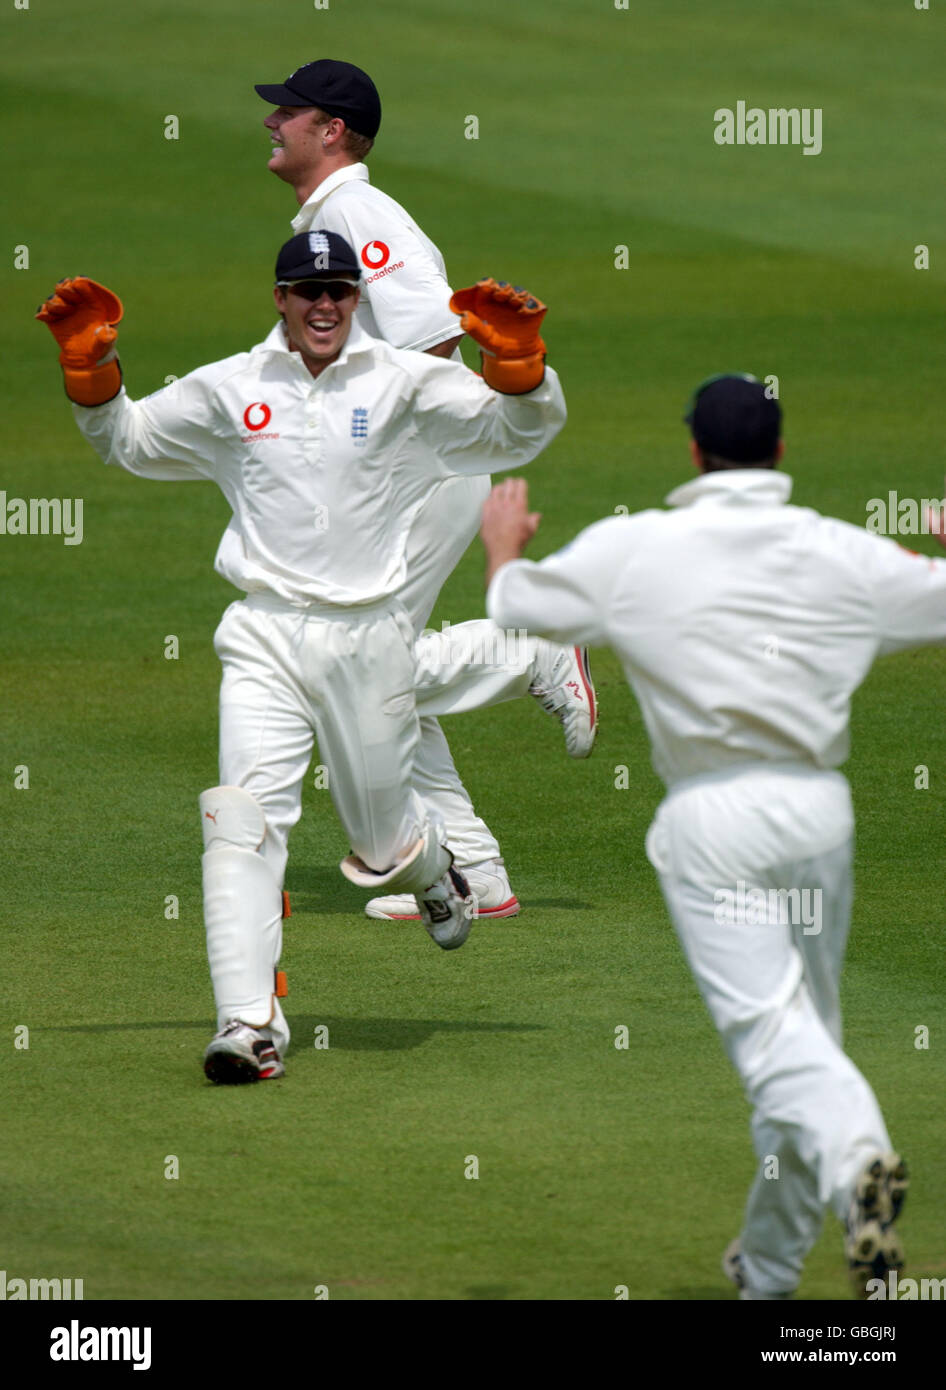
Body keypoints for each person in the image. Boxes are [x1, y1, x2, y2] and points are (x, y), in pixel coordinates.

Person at [36, 236, 568, 1085]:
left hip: (370, 640)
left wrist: (524, 364)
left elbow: (520, 432)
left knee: (382, 843)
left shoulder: (405, 381)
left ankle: (437, 873)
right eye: (307, 290)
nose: (325, 306)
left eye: (340, 291)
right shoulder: (231, 386)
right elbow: (129, 441)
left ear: (357, 298)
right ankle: (248, 1026)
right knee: (239, 819)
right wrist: (90, 375)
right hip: (264, 634)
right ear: (280, 298)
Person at [479, 374, 936, 1299]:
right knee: (804, 1049)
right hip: (818, 813)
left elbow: (517, 612)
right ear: (778, 453)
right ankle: (766, 1273)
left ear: (693, 451)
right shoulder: (837, 552)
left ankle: (862, 1173)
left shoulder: (639, 547)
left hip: (713, 821)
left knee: (778, 1046)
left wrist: (501, 549)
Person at [255, 59, 597, 923]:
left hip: (418, 473)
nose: (272, 125)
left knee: (363, 666)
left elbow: (436, 330)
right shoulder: (333, 216)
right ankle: (471, 874)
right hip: (398, 476)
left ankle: (534, 652)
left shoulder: (355, 212)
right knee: (374, 674)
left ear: (331, 130)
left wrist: (372, 447)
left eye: (287, 113)